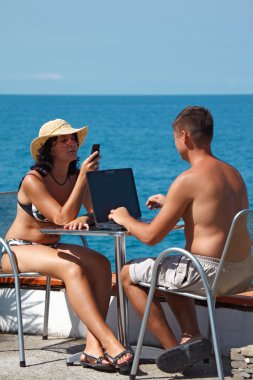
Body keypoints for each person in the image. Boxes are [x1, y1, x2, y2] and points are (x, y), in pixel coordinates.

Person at [108, 106, 249, 373]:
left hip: (206, 273)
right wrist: (173, 203)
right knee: (171, 266)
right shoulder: (233, 173)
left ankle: (173, 350)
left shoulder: (188, 179)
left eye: (174, 138)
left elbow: (150, 237)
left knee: (128, 273)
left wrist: (124, 217)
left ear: (184, 136)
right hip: (238, 271)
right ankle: (191, 337)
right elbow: (213, 217)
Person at [1, 118, 133, 373]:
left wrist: (84, 216)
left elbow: (97, 213)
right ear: (49, 148)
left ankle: (93, 349)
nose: (71, 143)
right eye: (63, 140)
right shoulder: (33, 180)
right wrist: (84, 177)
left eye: (72, 139)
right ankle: (111, 343)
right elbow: (61, 218)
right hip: (16, 249)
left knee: (101, 263)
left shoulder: (74, 176)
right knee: (72, 270)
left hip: (49, 248)